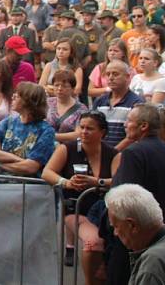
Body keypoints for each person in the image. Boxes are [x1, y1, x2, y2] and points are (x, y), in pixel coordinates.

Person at [105, 102, 165, 284]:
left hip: (134, 239)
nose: (125, 124)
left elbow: (124, 201)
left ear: (143, 126)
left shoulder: (132, 153)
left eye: (129, 120)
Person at [43, 111, 118, 284]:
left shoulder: (113, 153)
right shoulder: (67, 149)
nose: (84, 132)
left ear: (102, 132)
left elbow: (119, 180)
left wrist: (96, 182)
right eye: (81, 127)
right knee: (94, 243)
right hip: (76, 210)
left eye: (89, 128)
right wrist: (66, 183)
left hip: (108, 213)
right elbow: (47, 172)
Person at [0, 82, 55, 177]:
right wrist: (22, 161)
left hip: (28, 186)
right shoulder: (8, 122)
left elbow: (30, 168)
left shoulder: (46, 131)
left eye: (17, 96)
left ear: (28, 101)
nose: (12, 97)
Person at [92, 60, 144, 149]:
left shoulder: (137, 103)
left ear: (127, 77)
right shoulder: (100, 101)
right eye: (108, 74)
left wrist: (113, 152)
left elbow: (134, 135)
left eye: (115, 74)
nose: (111, 77)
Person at [46, 69, 88, 143]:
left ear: (72, 88)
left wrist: (52, 136)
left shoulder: (81, 109)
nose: (59, 89)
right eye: (56, 85)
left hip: (68, 149)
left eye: (64, 86)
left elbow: (79, 134)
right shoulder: (47, 103)